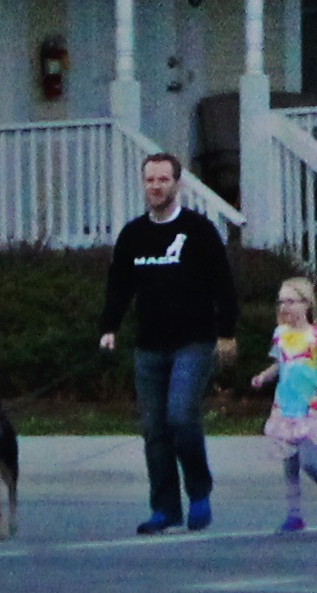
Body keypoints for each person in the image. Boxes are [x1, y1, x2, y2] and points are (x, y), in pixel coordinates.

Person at [96, 147, 239, 535]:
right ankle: (165, 508)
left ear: (177, 184)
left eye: (163, 179)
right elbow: (119, 286)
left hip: (193, 343)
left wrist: (227, 333)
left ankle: (200, 492)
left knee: (180, 416)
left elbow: (223, 285)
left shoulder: (198, 230)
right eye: (150, 180)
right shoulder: (133, 235)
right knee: (154, 430)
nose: (156, 186)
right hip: (148, 347)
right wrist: (109, 328)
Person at [254, 272, 317, 533]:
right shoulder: (281, 334)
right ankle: (294, 515)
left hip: (312, 410)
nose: (285, 307)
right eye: (281, 301)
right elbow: (280, 363)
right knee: (290, 464)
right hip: (285, 409)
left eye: (291, 301)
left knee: (309, 462)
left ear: (306, 304)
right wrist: (264, 376)